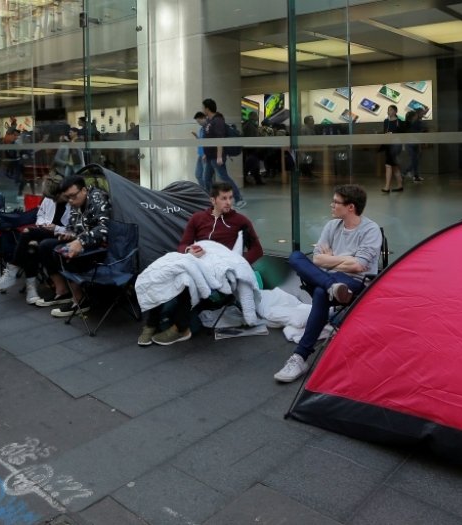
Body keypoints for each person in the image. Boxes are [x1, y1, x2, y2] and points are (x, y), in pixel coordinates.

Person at [274, 184, 382, 383]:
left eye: (336, 202)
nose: (331, 205)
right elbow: (316, 259)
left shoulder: (370, 229)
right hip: (330, 278)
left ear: (350, 207)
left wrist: (332, 259)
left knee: (320, 293)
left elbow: (359, 266)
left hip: (355, 282)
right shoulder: (332, 226)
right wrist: (344, 260)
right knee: (296, 257)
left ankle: (300, 357)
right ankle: (331, 286)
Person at [139, 182, 264, 346]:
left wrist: (236, 263)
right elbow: (182, 245)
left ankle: (180, 328)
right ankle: (151, 324)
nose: (229, 202)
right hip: (197, 259)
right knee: (162, 273)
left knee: (186, 280)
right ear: (213, 200)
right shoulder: (197, 218)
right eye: (224, 198)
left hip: (220, 269)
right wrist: (189, 250)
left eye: (231, 198)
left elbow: (257, 250)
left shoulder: (241, 221)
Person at [35, 175, 111, 318]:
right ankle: (62, 291)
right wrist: (69, 234)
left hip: (100, 247)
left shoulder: (98, 198)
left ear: (83, 190)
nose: (69, 201)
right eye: (67, 198)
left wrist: (80, 240)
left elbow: (104, 229)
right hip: (82, 242)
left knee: (63, 251)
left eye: (72, 196)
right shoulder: (76, 202)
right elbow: (72, 227)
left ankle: (80, 299)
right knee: (46, 246)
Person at [0, 182, 71, 304]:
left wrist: (55, 228)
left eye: (55, 198)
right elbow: (40, 215)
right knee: (31, 247)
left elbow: (73, 229)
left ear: (62, 192)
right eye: (51, 198)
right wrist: (43, 224)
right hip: (45, 232)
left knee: (27, 232)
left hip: (61, 235)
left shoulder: (72, 203)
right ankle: (31, 290)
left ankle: (12, 271)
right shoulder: (49, 198)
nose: (54, 201)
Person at [202, 99, 247, 208]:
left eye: (203, 107)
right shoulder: (209, 121)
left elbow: (220, 139)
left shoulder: (218, 121)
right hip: (210, 156)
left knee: (224, 178)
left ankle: (239, 199)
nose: (202, 109)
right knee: (206, 179)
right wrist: (205, 154)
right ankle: (213, 200)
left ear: (207, 108)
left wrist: (219, 156)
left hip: (216, 156)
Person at [380, 105, 405, 192]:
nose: (389, 111)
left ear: (395, 111)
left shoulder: (399, 122)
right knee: (394, 166)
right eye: (388, 110)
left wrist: (393, 134)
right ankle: (400, 185)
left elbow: (402, 135)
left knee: (388, 165)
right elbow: (384, 132)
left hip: (396, 145)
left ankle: (387, 187)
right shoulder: (386, 121)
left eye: (390, 110)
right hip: (388, 144)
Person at [192, 112, 213, 192]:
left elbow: (209, 143)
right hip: (201, 155)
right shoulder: (201, 129)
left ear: (203, 118)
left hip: (206, 155)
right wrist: (196, 137)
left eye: (199, 121)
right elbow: (201, 141)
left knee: (206, 177)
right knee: (198, 175)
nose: (198, 123)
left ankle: (209, 193)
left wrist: (205, 153)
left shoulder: (208, 128)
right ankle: (205, 191)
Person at [404, 108, 425, 182]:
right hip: (411, 144)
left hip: (414, 143)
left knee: (415, 160)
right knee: (414, 160)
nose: (423, 114)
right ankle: (405, 173)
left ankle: (414, 175)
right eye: (422, 113)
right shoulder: (414, 123)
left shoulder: (417, 122)